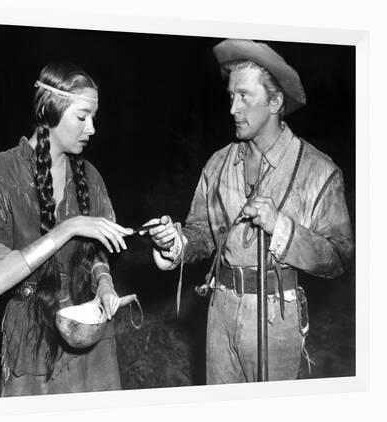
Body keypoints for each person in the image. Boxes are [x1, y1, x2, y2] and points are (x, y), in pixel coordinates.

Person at [145, 39, 354, 384]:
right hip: (220, 310)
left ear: (274, 101)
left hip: (277, 318)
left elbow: (340, 258)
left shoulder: (318, 171)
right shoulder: (218, 163)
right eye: (231, 96)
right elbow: (203, 233)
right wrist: (176, 242)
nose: (232, 109)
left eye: (244, 96)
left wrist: (282, 227)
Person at [0, 61, 132, 396]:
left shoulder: (91, 176)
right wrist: (67, 228)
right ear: (49, 109)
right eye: (82, 116)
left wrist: (104, 285)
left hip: (91, 332)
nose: (92, 129)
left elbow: (97, 251)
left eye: (93, 118)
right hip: (32, 342)